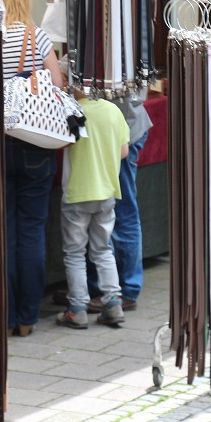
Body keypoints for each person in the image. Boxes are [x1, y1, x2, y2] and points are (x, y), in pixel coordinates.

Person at [0, 0, 65, 338]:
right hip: (36, 142)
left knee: (5, 230)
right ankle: (27, 317)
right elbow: (56, 86)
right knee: (32, 229)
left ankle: (6, 315)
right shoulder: (36, 38)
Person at [57, 86, 131, 330]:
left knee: (75, 253)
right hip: (107, 190)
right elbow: (123, 151)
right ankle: (112, 302)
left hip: (78, 192)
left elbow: (61, 144)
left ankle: (77, 309)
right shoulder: (113, 111)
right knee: (102, 249)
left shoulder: (73, 111)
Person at [84, 93, 153, 312]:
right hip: (115, 129)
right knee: (115, 212)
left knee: (123, 213)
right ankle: (103, 288)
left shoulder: (121, 59)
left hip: (118, 133)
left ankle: (125, 291)